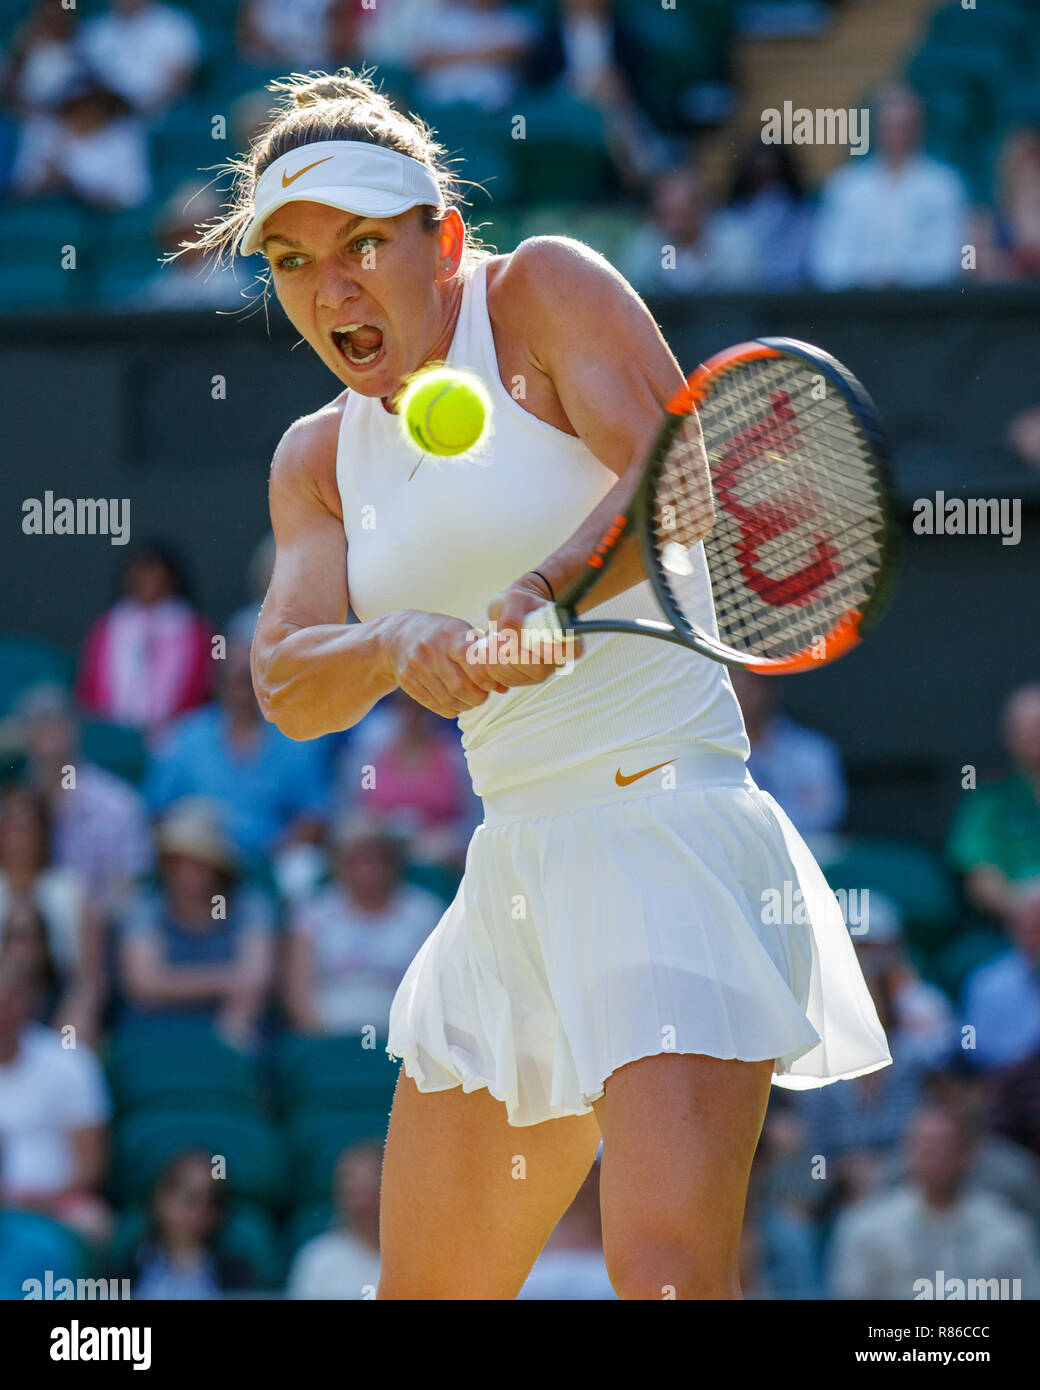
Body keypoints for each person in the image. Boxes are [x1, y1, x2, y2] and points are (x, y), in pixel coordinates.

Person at [186, 66, 889, 1301]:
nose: (331, 287)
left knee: (665, 1277)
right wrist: (396, 642)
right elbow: (290, 679)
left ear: (443, 237)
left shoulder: (540, 292)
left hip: (665, 820)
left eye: (361, 244)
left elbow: (678, 466)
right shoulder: (314, 459)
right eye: (292, 263)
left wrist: (547, 585)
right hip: (513, 872)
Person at [143, 635, 330, 876]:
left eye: (251, 681)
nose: (244, 691)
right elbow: (158, 811)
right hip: (201, 860)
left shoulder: (295, 741)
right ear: (220, 684)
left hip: (271, 860)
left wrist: (277, 852)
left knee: (302, 869)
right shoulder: (186, 739)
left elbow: (313, 816)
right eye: (237, 680)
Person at [826, 1104, 1040, 1299]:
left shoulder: (1008, 1229)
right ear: (907, 1152)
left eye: (945, 1146)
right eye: (925, 1147)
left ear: (968, 1154)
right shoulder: (864, 1226)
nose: (935, 1157)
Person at [116, 797, 275, 1049]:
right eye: (177, 860)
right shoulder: (145, 906)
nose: (185, 872)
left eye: (197, 861)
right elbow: (143, 984)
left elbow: (256, 980)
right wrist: (229, 981)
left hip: (227, 1028)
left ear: (218, 866)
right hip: (154, 1030)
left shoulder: (251, 905)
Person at [283, 812, 443, 1036]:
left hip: (403, 1038)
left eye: (377, 860)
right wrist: (328, 1039)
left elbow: (433, 994)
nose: (368, 870)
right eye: (356, 861)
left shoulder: (425, 913)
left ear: (393, 864)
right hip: (326, 1035)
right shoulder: (312, 914)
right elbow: (298, 994)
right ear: (338, 865)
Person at [14, 682, 153, 920]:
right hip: (25, 935)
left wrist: (81, 919)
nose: (47, 734)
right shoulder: (13, 808)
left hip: (100, 932)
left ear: (73, 730)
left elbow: (128, 892)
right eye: (38, 725)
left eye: (55, 724)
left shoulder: (118, 805)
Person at [808, 83, 968, 290]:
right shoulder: (846, 186)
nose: (897, 136)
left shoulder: (944, 185)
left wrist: (898, 280)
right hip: (855, 305)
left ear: (919, 128)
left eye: (904, 126)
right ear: (877, 129)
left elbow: (948, 256)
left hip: (923, 305)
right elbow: (828, 257)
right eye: (889, 126)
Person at [0, 958, 112, 1243]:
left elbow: (91, 1165)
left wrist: (39, 1201)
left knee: (95, 1225)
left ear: (30, 1000)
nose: (3, 1009)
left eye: (10, 998)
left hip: (60, 1203)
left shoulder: (71, 1062)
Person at [76, 540, 215, 740]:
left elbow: (201, 692)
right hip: (113, 739)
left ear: (172, 576)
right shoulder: (107, 628)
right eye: (139, 571)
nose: (146, 579)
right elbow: (89, 691)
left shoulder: (196, 631)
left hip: (176, 740)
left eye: (153, 570)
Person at [334, 688, 480, 872]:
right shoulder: (371, 757)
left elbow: (471, 814)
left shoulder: (453, 759)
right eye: (406, 707)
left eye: (419, 708)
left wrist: (440, 836)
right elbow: (358, 803)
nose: (412, 716)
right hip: (383, 840)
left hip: (439, 848)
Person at [0, 784, 102, 1045]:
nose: (20, 835)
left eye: (28, 826)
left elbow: (88, 982)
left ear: (45, 831)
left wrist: (69, 1034)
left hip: (56, 1008)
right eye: (11, 825)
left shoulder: (71, 891)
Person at [947, 683, 1040, 920]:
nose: (1035, 736)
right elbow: (979, 877)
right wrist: (1024, 910)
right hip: (1010, 929)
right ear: (1010, 736)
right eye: (1028, 728)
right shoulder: (986, 801)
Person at [9, 64, 151, 210]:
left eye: (96, 102)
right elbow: (24, 184)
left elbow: (132, 193)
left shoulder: (125, 136)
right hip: (48, 212)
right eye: (83, 102)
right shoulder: (42, 128)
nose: (89, 110)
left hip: (102, 219)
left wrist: (80, 187)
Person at [728, 668, 847, 839]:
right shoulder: (703, 756)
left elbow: (822, 815)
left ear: (770, 688)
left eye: (753, 686)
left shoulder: (812, 751)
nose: (742, 697)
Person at [117, 1150, 252, 1298]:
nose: (200, 1209)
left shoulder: (237, 1275)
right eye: (190, 1198)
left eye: (211, 1200)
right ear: (159, 1199)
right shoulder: (124, 1271)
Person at [617, 165, 757, 296]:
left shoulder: (732, 243)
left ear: (700, 209)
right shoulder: (645, 244)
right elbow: (633, 289)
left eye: (682, 214)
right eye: (668, 215)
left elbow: (741, 295)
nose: (675, 224)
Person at [960, 879, 1040, 1071]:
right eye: (1034, 928)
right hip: (1006, 1084)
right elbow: (970, 1046)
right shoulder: (985, 983)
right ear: (1015, 929)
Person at [285, 1141, 382, 1298]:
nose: (363, 1203)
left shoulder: (414, 1258)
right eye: (355, 1192)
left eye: (370, 1192)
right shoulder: (318, 1258)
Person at [80, 0, 202, 118]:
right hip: (108, 115)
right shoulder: (94, 30)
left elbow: (181, 79)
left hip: (163, 113)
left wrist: (144, 107)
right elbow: (88, 79)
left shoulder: (175, 24)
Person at [971, 126, 1040, 282]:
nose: (1028, 175)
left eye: (1035, 166)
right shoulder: (983, 219)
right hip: (1002, 299)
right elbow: (969, 266)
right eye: (1020, 168)